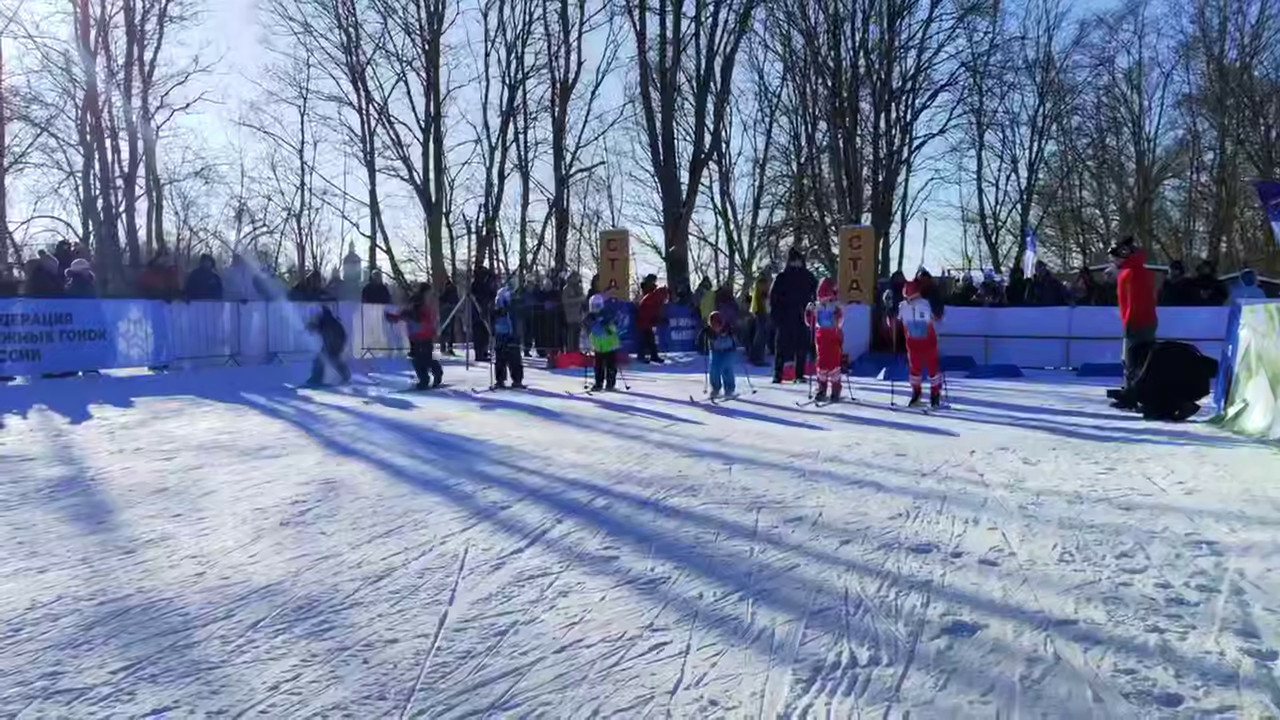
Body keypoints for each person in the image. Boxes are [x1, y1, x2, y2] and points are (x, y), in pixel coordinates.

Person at [1111, 236, 1157, 408]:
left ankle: (1132, 394)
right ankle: (1138, 393)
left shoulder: (1129, 273)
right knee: (1143, 360)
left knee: (1133, 361)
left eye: (1115, 258)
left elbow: (1133, 301)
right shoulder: (1139, 271)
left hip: (1136, 322)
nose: (1113, 261)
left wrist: (1129, 323)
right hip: (1146, 320)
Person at [770, 247, 818, 383]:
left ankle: (788, 374)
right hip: (792, 315)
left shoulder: (790, 277)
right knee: (790, 345)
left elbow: (773, 298)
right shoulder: (803, 276)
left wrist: (813, 306)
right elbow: (774, 298)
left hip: (796, 315)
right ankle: (788, 374)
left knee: (793, 346)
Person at [385, 283, 443, 390]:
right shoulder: (419, 304)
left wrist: (393, 317)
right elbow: (406, 314)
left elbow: (405, 315)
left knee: (424, 358)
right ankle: (427, 377)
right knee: (420, 359)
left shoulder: (425, 304)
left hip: (422, 335)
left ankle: (432, 375)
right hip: (419, 336)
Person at [896, 280, 943, 407]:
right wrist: (889, 311)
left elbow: (936, 318)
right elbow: (896, 322)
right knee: (915, 369)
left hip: (928, 342)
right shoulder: (902, 306)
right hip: (912, 343)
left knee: (932, 368)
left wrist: (937, 306)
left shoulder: (925, 304)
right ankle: (916, 393)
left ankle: (935, 394)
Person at [805, 277, 845, 402]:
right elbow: (809, 322)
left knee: (834, 366)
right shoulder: (817, 306)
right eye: (821, 297)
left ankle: (835, 389)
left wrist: (837, 317)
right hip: (821, 338)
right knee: (821, 365)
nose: (824, 300)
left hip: (833, 337)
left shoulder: (836, 307)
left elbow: (840, 322)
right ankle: (822, 388)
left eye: (826, 296)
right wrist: (809, 313)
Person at [305, 306, 352, 386]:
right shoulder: (332, 321)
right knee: (323, 359)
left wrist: (310, 326)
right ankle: (316, 378)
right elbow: (341, 335)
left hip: (333, 345)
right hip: (333, 344)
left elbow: (318, 328)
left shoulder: (326, 321)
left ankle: (345, 376)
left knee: (331, 360)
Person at [490, 288, 526, 389]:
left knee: (514, 357)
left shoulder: (513, 307)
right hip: (501, 334)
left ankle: (516, 379)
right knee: (501, 358)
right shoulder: (497, 309)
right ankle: (500, 379)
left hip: (511, 334)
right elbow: (492, 318)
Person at [584, 293, 620, 391]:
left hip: (609, 345)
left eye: (597, 306)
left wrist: (607, 326)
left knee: (610, 366)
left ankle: (610, 384)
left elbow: (614, 329)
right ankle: (598, 383)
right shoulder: (590, 317)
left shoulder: (608, 315)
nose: (595, 308)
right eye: (593, 306)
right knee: (598, 366)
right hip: (598, 346)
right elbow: (587, 328)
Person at [700, 310, 738, 399]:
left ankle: (729, 389)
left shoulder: (728, 328)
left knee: (726, 368)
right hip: (715, 351)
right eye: (713, 325)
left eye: (717, 325)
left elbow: (736, 335)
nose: (716, 328)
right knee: (714, 369)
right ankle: (715, 388)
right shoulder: (708, 331)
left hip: (728, 351)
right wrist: (701, 342)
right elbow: (700, 338)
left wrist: (732, 334)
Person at [636, 274, 668, 364]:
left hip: (646, 319)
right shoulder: (654, 296)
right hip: (644, 319)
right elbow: (652, 310)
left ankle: (653, 356)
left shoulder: (653, 295)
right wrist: (657, 319)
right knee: (645, 339)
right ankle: (643, 356)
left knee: (650, 338)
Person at [470, 262, 497, 361]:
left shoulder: (485, 284)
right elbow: (478, 297)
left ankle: (484, 351)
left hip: (485, 311)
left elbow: (492, 294)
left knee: (485, 333)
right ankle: (479, 353)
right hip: (478, 312)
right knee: (479, 333)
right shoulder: (476, 285)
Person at [562, 272, 586, 352]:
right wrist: (578, 299)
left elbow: (583, 298)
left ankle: (576, 352)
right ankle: (570, 352)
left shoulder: (579, 288)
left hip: (578, 316)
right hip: (570, 317)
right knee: (571, 337)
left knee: (577, 337)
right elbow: (565, 301)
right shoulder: (567, 289)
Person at [437, 278, 459, 356]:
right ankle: (447, 347)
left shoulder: (446, 291)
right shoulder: (452, 291)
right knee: (448, 330)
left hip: (447, 312)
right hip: (449, 311)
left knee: (446, 330)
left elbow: (441, 300)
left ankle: (444, 347)